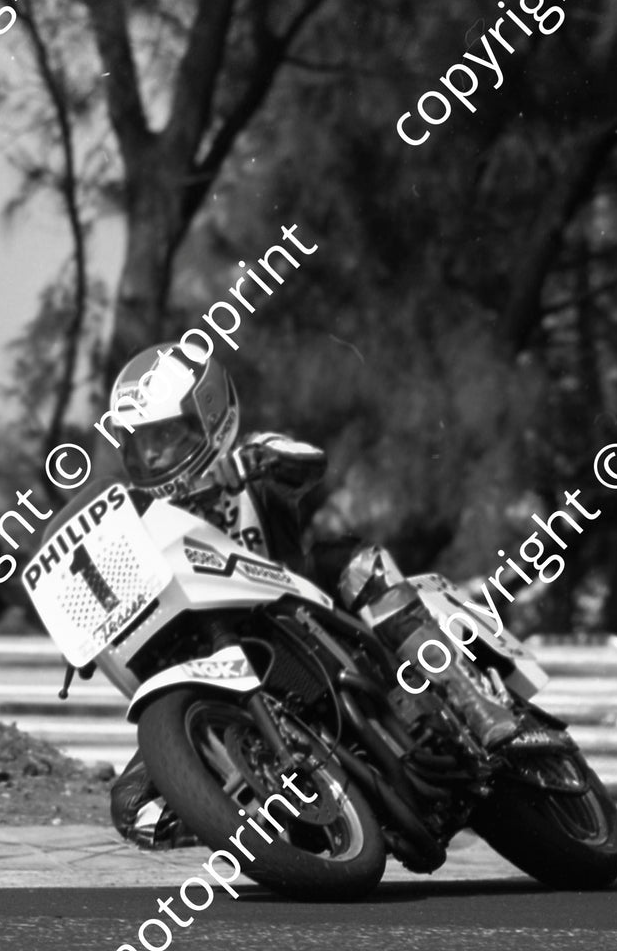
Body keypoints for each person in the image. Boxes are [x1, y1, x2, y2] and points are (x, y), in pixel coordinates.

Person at [101, 340, 522, 848]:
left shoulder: (248, 461)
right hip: (223, 666)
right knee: (131, 806)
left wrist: (252, 462)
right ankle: (276, 819)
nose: (149, 453)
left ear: (206, 418)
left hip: (300, 611)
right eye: (138, 441)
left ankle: (470, 699)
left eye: (164, 435)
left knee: (353, 562)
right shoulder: (135, 522)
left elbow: (306, 462)